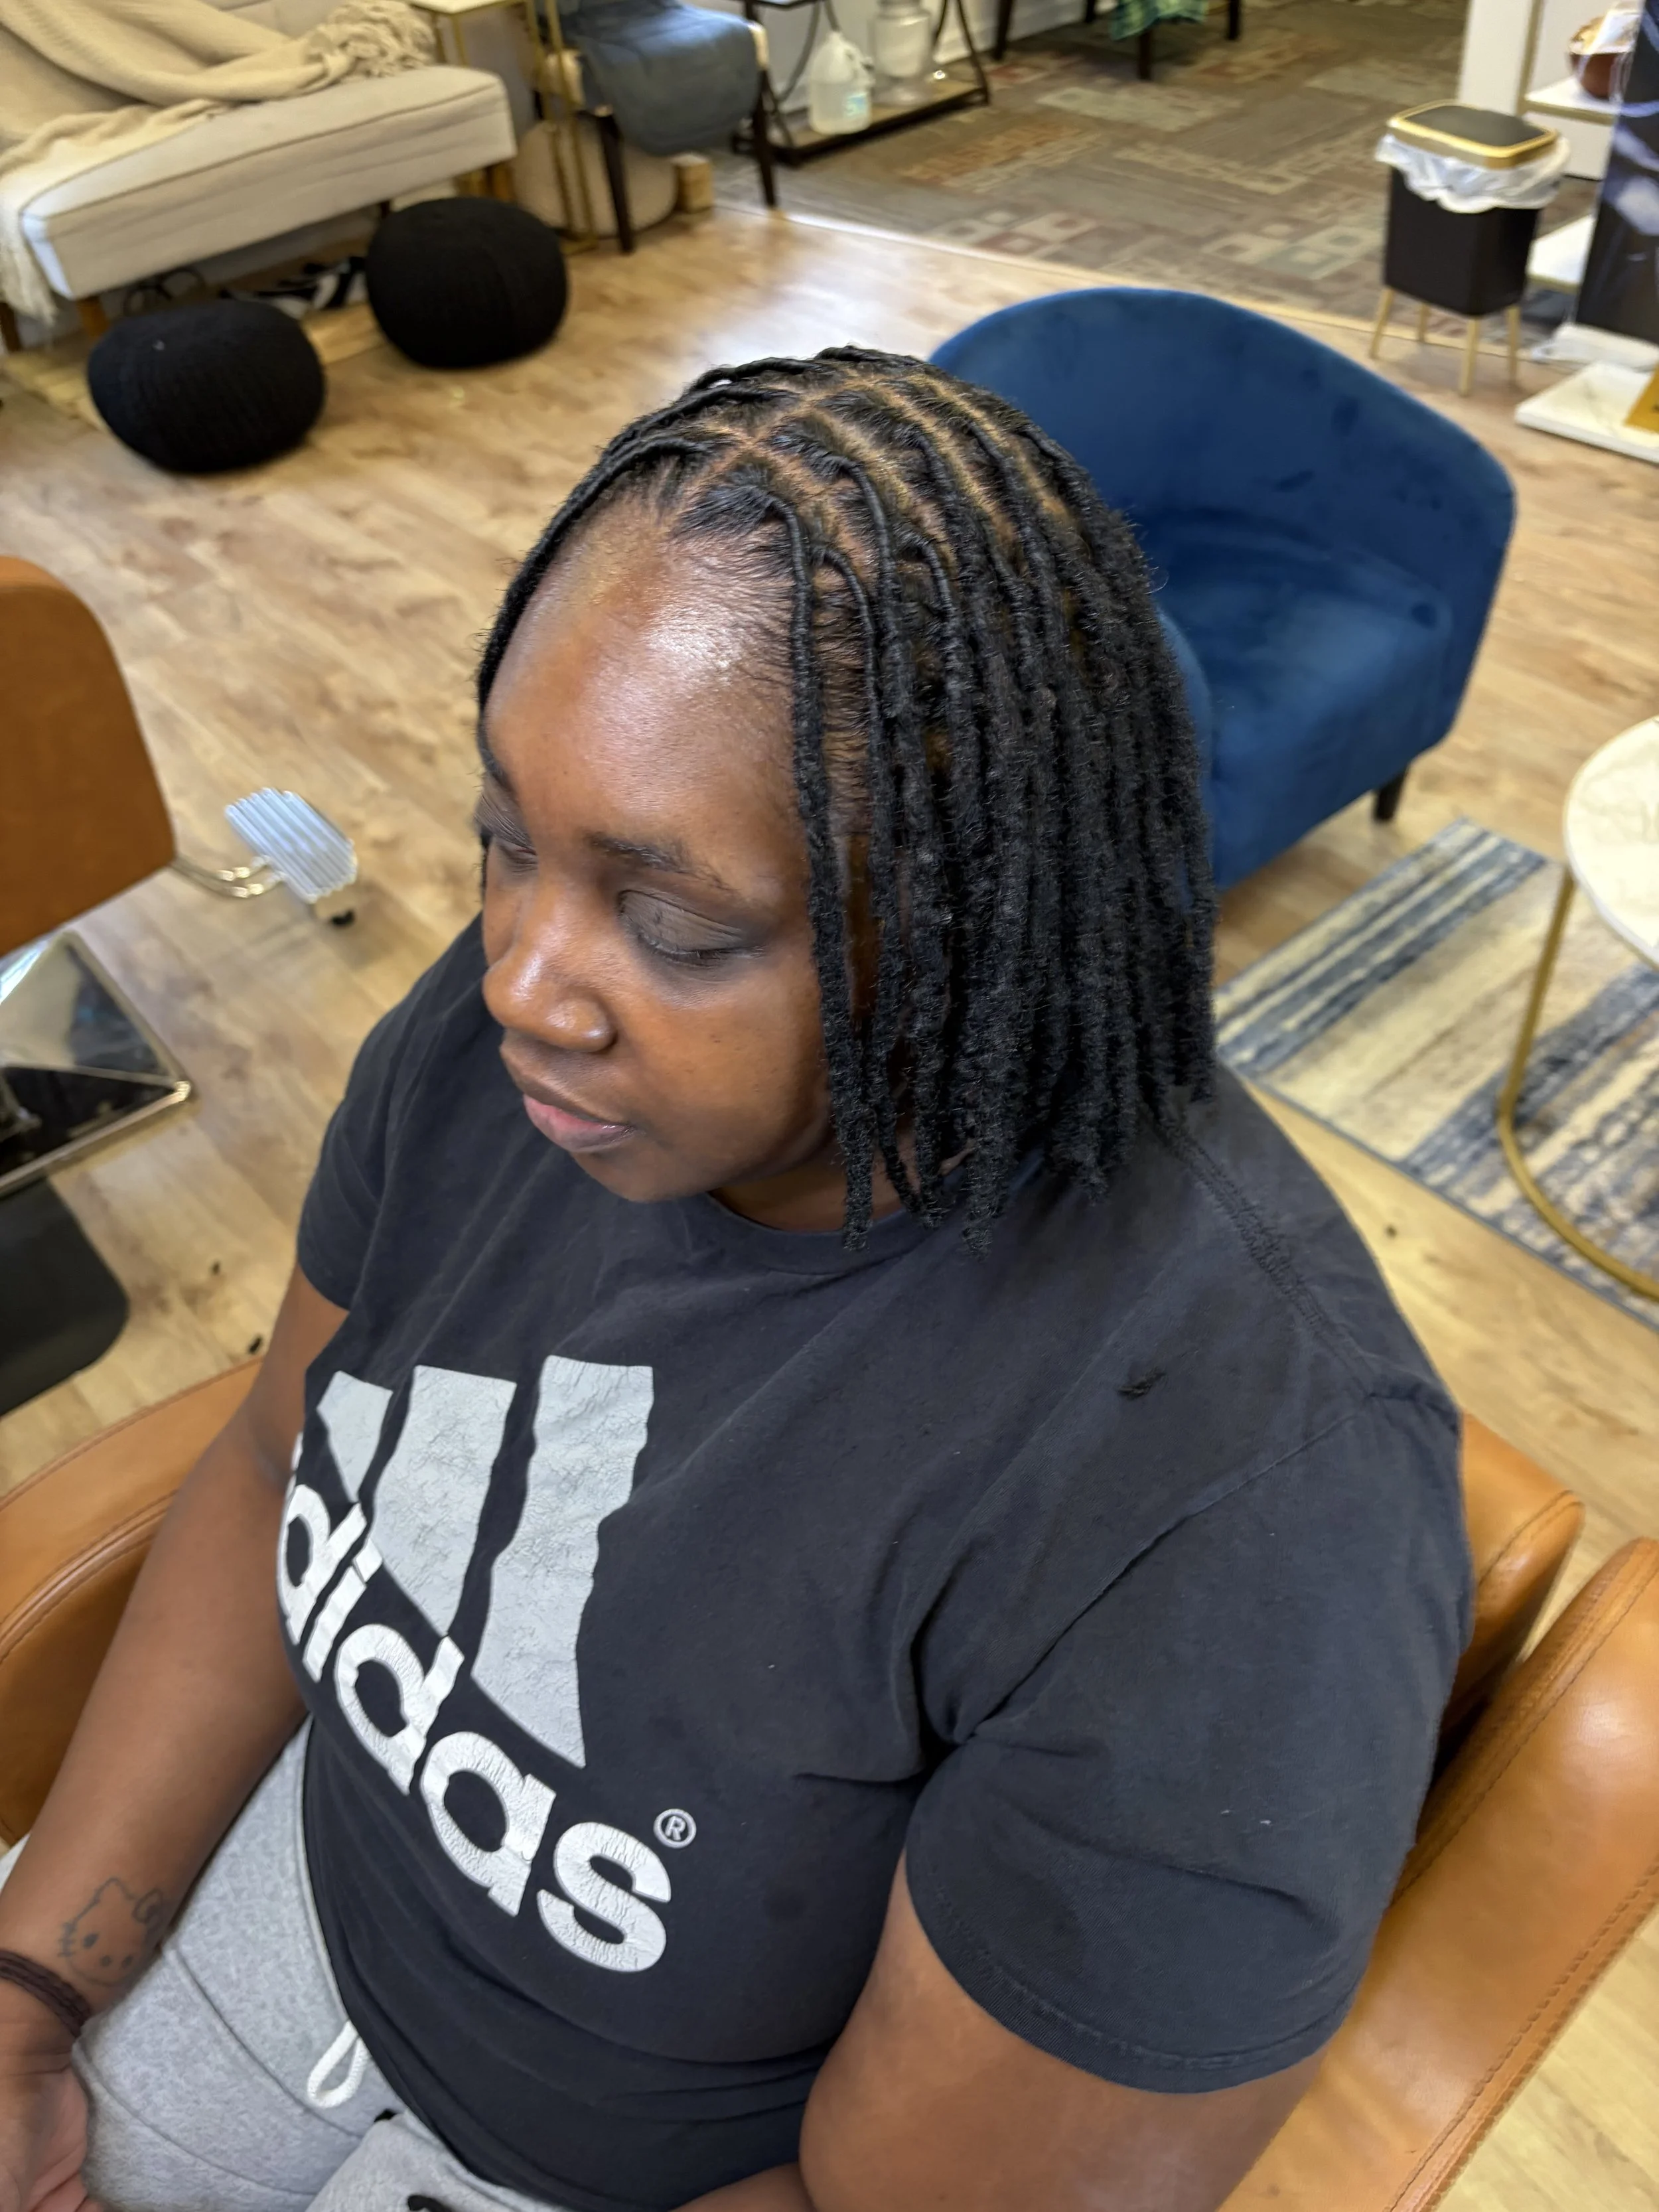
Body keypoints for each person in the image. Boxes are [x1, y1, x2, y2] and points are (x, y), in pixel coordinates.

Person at [0, 349, 1469, 2212]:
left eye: (674, 923)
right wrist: (33, 1985)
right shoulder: (496, 1036)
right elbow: (278, 1455)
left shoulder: (1237, 1493)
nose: (522, 977)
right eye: (505, 839)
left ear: (972, 917)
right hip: (299, 1890)